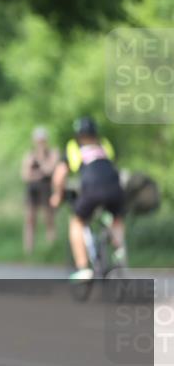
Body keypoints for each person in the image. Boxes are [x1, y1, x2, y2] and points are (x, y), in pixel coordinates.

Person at [50, 117, 126, 281]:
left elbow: (59, 175)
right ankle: (119, 251)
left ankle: (83, 267)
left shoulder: (73, 147)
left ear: (78, 134)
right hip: (115, 186)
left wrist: (57, 195)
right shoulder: (104, 145)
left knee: (77, 222)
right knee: (116, 218)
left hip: (92, 189)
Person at [20, 126, 59, 254]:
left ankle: (51, 248)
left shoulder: (52, 153)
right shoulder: (29, 155)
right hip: (32, 190)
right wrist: (40, 172)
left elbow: (50, 169)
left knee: (49, 219)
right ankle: (28, 250)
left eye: (42, 140)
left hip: (46, 189)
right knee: (30, 219)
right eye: (38, 140)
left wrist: (39, 165)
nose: (40, 143)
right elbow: (25, 175)